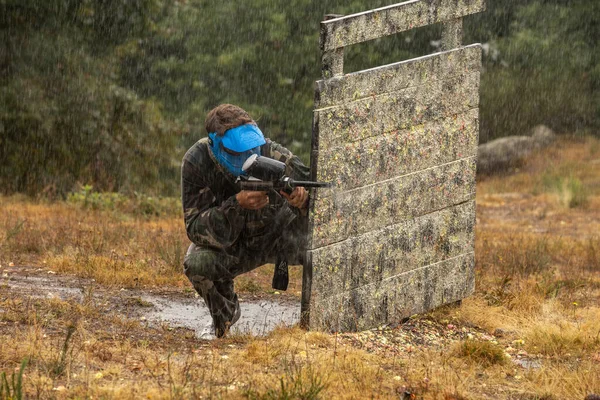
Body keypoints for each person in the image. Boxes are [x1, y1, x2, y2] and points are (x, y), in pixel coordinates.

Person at [181, 104, 310, 338]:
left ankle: (321, 322)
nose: (250, 157)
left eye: (255, 148)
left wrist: (303, 203)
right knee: (196, 263)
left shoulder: (274, 154)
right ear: (215, 145)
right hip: (233, 247)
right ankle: (224, 317)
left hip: (281, 239)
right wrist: (236, 206)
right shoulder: (196, 162)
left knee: (325, 249)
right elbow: (195, 227)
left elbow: (325, 198)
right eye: (237, 152)